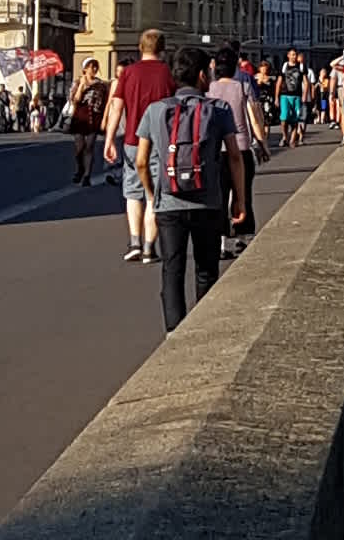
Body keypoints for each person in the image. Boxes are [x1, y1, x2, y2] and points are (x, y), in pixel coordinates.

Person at [140, 45, 241, 331]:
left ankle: (174, 329)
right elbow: (234, 156)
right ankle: (203, 329)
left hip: (169, 203)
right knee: (206, 269)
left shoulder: (156, 110)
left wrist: (152, 195)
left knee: (172, 269)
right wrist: (240, 200)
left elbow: (141, 162)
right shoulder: (219, 110)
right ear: (200, 76)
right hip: (208, 201)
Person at [105, 25, 174, 265]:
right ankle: (148, 248)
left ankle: (134, 241)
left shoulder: (129, 73)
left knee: (132, 193)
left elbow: (117, 106)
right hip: (159, 140)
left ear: (140, 47)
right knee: (154, 193)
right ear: (162, 49)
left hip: (132, 140)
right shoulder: (167, 73)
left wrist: (110, 138)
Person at [206, 47, 262, 257]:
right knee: (243, 192)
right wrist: (262, 142)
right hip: (241, 145)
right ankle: (243, 236)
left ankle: (222, 242)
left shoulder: (209, 89)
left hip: (216, 149)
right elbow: (254, 118)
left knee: (219, 195)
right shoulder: (242, 87)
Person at [68, 62, 107, 187]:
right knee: (79, 147)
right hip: (80, 115)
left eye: (96, 67)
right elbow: (74, 100)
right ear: (85, 69)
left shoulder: (100, 84)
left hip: (94, 116)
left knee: (89, 147)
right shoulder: (77, 82)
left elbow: (104, 102)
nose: (94, 69)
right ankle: (80, 168)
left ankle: (87, 176)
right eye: (91, 67)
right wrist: (82, 86)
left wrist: (104, 119)